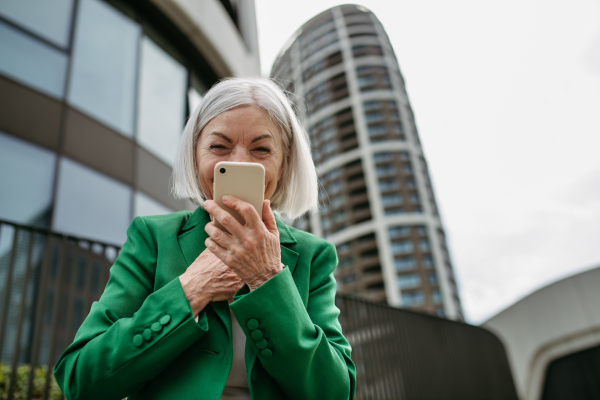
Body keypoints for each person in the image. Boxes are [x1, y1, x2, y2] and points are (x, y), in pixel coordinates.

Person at [54, 77, 356, 400]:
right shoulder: (152, 237)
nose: (238, 162)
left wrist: (268, 278)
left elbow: (336, 392)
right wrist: (191, 290)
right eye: (219, 146)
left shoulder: (314, 256)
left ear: (284, 163)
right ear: (195, 154)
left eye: (262, 149)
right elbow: (79, 378)